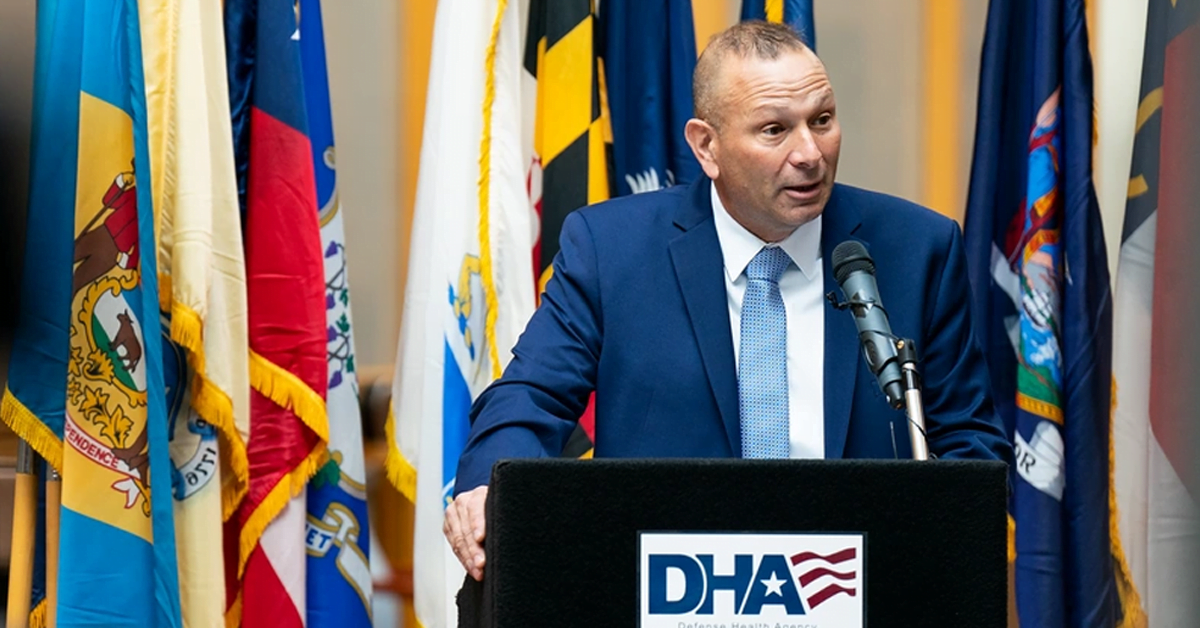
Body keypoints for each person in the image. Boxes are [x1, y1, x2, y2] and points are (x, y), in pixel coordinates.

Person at [444, 21, 1012, 581]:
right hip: (667, 590)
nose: (810, 153)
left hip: (854, 586)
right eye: (775, 130)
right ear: (706, 146)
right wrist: (487, 488)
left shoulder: (916, 248)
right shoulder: (611, 249)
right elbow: (530, 396)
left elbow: (970, 440)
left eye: (822, 120)